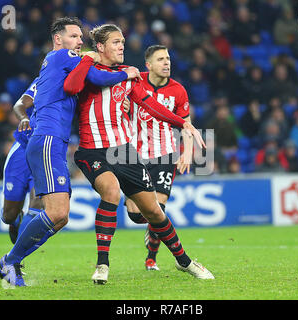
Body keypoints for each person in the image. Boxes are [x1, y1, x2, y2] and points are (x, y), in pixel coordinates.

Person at [0, 17, 141, 287]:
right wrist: (126, 73)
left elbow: (81, 80)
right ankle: (10, 262)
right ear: (58, 39)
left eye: (80, 38)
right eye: (73, 36)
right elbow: (97, 76)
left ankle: (10, 261)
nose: (79, 42)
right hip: (48, 139)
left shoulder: (58, 64)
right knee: (55, 213)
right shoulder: (63, 56)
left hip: (53, 142)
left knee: (59, 215)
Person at [65, 23, 213, 284]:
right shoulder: (88, 69)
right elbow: (71, 87)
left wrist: (183, 123)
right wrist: (88, 58)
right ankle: (102, 265)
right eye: (115, 42)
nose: (122, 45)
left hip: (124, 153)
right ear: (100, 46)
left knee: (153, 213)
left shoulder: (128, 75)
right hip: (93, 151)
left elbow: (151, 105)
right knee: (110, 191)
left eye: (122, 41)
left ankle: (185, 262)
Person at [122, 44, 194, 271]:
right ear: (149, 65)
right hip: (135, 155)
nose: (167, 63)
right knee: (135, 214)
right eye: (161, 59)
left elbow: (187, 124)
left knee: (158, 207)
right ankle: (152, 230)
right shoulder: (135, 81)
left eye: (168, 59)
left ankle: (151, 258)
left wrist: (188, 152)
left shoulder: (178, 91)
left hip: (165, 154)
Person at [0, 78, 43, 246]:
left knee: (38, 203)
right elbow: (19, 104)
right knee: (9, 215)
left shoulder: (75, 85)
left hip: (44, 153)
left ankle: (14, 259)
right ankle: (15, 218)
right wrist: (24, 118)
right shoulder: (42, 82)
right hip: (22, 150)